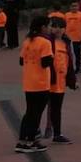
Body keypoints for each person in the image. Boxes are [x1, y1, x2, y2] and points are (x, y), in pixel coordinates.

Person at [16, 16, 53, 152]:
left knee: (29, 112)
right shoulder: (45, 43)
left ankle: (22, 141)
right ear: (43, 27)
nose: (49, 28)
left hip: (28, 82)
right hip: (41, 83)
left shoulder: (27, 41)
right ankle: (31, 141)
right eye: (48, 26)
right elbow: (46, 63)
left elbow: (21, 61)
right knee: (36, 113)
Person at [41, 16, 77, 144]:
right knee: (38, 108)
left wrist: (72, 79)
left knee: (56, 108)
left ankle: (57, 134)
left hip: (60, 82)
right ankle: (34, 132)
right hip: (46, 81)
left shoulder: (66, 42)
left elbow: (70, 61)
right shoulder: (47, 41)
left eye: (60, 27)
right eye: (54, 26)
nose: (57, 29)